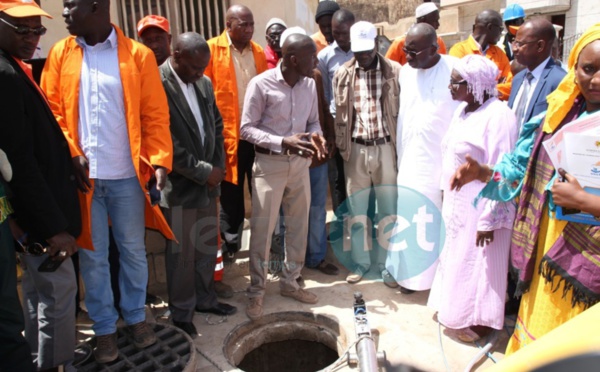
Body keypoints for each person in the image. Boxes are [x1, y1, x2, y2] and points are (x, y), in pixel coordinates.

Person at [449, 24, 600, 353]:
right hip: (546, 242)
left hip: (590, 262)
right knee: (542, 323)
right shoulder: (556, 117)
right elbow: (520, 167)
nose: (596, 80)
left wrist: (586, 202)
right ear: (575, 69)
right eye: (589, 69)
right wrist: (483, 172)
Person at [41, 0, 174, 363]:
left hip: (127, 175)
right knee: (94, 256)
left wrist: (160, 161)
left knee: (132, 251)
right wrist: (71, 151)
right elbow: (51, 112)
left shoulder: (138, 55)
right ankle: (103, 328)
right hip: (83, 181)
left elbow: (155, 115)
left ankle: (134, 317)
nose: (64, 13)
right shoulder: (59, 54)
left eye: (71, 6)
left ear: (96, 7)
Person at [0, 1, 82, 369]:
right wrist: (54, 229)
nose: (32, 38)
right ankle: (53, 364)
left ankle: (38, 360)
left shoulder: (15, 67)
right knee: (59, 294)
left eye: (37, 31)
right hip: (40, 221)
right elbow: (19, 162)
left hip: (30, 216)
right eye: (22, 30)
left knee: (38, 294)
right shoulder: (5, 75)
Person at [427, 55, 518, 343]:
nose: (450, 87)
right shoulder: (463, 111)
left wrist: (489, 219)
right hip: (458, 206)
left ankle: (479, 321)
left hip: (483, 208)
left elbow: (505, 171)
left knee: (480, 266)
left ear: (476, 84)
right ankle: (455, 309)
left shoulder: (500, 116)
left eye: (456, 82)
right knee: (458, 259)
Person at [241, 34, 327, 320]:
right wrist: (282, 142)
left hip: (300, 165)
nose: (315, 61)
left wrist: (317, 137)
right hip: (269, 165)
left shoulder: (310, 84)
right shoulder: (261, 84)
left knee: (298, 226)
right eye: (311, 56)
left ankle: (291, 282)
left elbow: (313, 120)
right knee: (263, 232)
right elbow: (246, 129)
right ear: (293, 59)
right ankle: (256, 292)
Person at [159, 32, 236, 337]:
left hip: (208, 183)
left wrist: (216, 166)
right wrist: (204, 171)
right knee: (181, 254)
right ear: (176, 56)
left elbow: (216, 124)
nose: (200, 74)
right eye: (194, 68)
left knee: (205, 245)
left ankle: (205, 299)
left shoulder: (202, 82)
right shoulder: (157, 83)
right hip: (179, 187)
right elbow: (165, 140)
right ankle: (181, 312)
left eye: (203, 68)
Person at [384, 23, 460, 293]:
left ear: (433, 48)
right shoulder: (405, 72)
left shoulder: (454, 69)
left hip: (439, 163)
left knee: (431, 222)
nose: (408, 56)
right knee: (407, 218)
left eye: (414, 52)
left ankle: (429, 282)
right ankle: (407, 276)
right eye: (406, 50)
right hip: (409, 160)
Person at [332, 21, 400, 284]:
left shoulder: (394, 71)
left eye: (367, 49)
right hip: (356, 150)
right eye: (357, 50)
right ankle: (360, 264)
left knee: (388, 211)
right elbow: (338, 113)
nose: (363, 55)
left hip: (385, 149)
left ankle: (386, 264)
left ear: (377, 43)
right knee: (358, 211)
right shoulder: (343, 74)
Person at [205, 5, 268, 258]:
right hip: (226, 138)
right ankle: (231, 246)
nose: (250, 29)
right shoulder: (211, 50)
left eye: (252, 24)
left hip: (256, 136)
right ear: (228, 25)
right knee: (231, 195)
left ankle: (263, 245)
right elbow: (205, 97)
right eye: (244, 24)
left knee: (261, 191)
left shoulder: (259, 52)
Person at [317, 9, 355, 239]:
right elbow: (324, 96)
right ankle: (342, 224)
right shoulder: (324, 57)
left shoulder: (364, 51)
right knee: (338, 177)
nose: (340, 38)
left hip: (362, 125)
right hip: (337, 123)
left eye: (344, 33)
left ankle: (364, 223)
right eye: (336, 33)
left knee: (361, 176)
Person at [509, 18, 566, 130]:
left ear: (540, 46)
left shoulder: (560, 81)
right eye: (514, 42)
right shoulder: (518, 79)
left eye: (520, 44)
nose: (515, 49)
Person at [449, 10, 511, 98]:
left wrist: (480, 88)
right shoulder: (459, 51)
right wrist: (494, 87)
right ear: (490, 27)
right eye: (500, 29)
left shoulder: (500, 54)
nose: (502, 33)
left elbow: (511, 86)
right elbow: (460, 86)